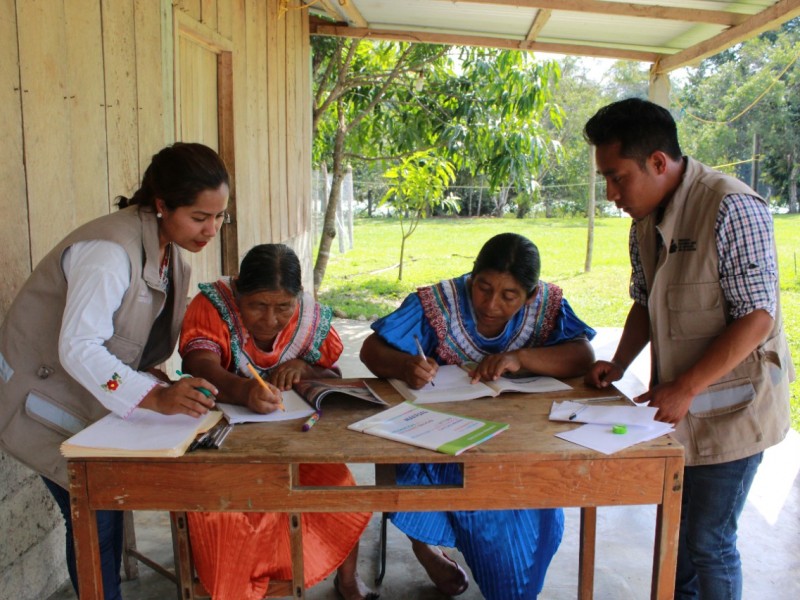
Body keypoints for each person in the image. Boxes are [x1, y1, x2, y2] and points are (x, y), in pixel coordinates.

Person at [583, 98, 794, 600]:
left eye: (617, 177)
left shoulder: (731, 206)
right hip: (680, 409)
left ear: (658, 162)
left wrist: (685, 387)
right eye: (605, 181)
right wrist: (619, 363)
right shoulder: (644, 221)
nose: (611, 194)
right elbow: (645, 302)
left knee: (709, 541)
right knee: (676, 534)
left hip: (735, 412)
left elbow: (758, 317)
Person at [0, 142, 229, 600]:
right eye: (200, 217)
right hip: (41, 400)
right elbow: (79, 346)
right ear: (162, 205)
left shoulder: (169, 254)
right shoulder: (109, 251)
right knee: (93, 519)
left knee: (103, 512)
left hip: (83, 397)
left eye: (221, 217)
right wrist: (153, 397)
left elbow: (129, 342)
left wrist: (155, 381)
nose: (211, 229)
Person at [359, 232, 596, 600]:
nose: (490, 304)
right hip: (442, 441)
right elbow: (371, 350)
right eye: (483, 287)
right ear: (472, 276)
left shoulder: (546, 306)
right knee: (464, 494)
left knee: (534, 506)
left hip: (518, 443)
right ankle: (426, 548)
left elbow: (583, 356)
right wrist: (406, 365)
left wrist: (522, 358)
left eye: (508, 296)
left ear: (530, 295)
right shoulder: (440, 304)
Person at [179, 243, 377, 600]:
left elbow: (331, 372)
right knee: (227, 512)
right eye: (257, 306)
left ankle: (345, 578)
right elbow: (199, 364)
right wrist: (244, 391)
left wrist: (307, 368)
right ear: (238, 292)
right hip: (225, 437)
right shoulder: (212, 305)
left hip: (292, 434)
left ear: (297, 299)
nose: (270, 320)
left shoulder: (310, 319)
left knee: (338, 484)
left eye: (283, 307)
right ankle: (241, 584)